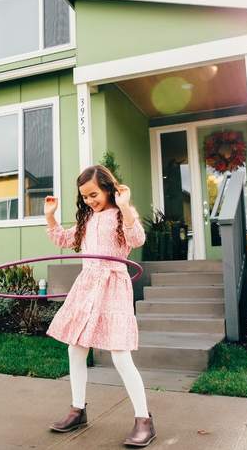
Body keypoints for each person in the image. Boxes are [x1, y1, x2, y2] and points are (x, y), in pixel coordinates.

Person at [43, 165, 156, 447]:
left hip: (113, 286)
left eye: (93, 194)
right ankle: (77, 409)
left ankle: (144, 419)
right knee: (76, 348)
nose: (90, 201)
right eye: (84, 197)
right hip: (87, 286)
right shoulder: (88, 220)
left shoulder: (120, 215)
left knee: (120, 355)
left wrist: (126, 206)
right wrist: (50, 217)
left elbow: (137, 239)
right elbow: (64, 239)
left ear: (107, 188)